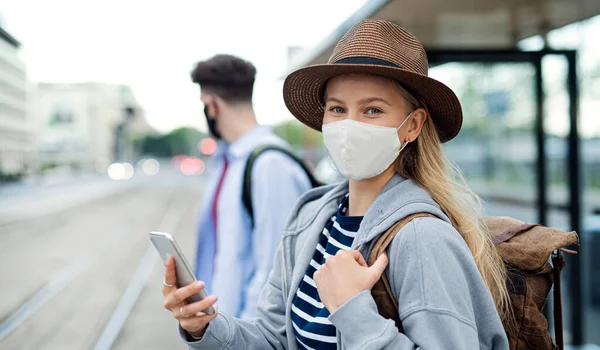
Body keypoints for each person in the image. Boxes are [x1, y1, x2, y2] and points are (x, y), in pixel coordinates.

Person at [163, 20, 511, 349]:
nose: (349, 126)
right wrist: (206, 326)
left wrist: (351, 309)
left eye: (372, 110)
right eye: (337, 109)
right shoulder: (312, 217)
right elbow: (274, 338)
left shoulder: (422, 238)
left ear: (413, 125)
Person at [185, 54, 313, 320]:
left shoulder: (270, 166)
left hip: (247, 336)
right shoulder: (229, 160)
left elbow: (274, 272)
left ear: (212, 105)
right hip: (221, 329)